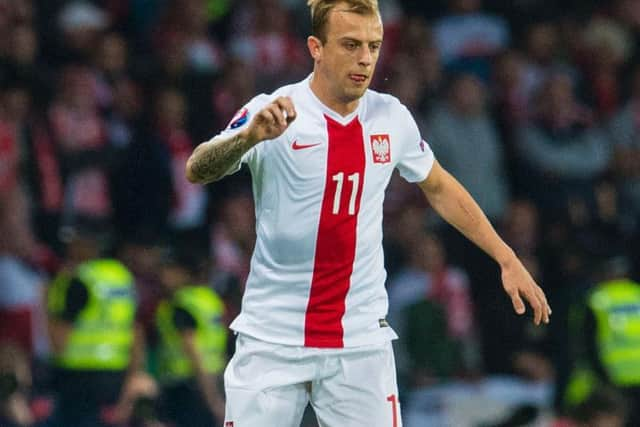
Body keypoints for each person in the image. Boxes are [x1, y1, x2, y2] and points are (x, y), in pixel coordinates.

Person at [185, 1, 551, 425]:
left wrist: (506, 258)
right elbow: (198, 168)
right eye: (350, 44)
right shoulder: (276, 110)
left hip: (358, 340)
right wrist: (247, 138)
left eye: (373, 46)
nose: (364, 58)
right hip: (273, 336)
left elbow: (439, 186)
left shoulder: (390, 117)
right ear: (315, 47)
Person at [46, 222, 144, 427]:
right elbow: (135, 329)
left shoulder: (78, 279)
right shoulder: (121, 276)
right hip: (115, 374)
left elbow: (59, 339)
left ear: (89, 245)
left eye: (75, 242)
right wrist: (135, 373)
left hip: (78, 376)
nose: (70, 247)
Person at [155, 245, 226, 426]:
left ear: (184, 273)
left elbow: (193, 353)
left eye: (169, 270)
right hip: (216, 377)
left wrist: (213, 401)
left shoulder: (182, 305)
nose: (163, 275)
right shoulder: (209, 298)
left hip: (188, 386)